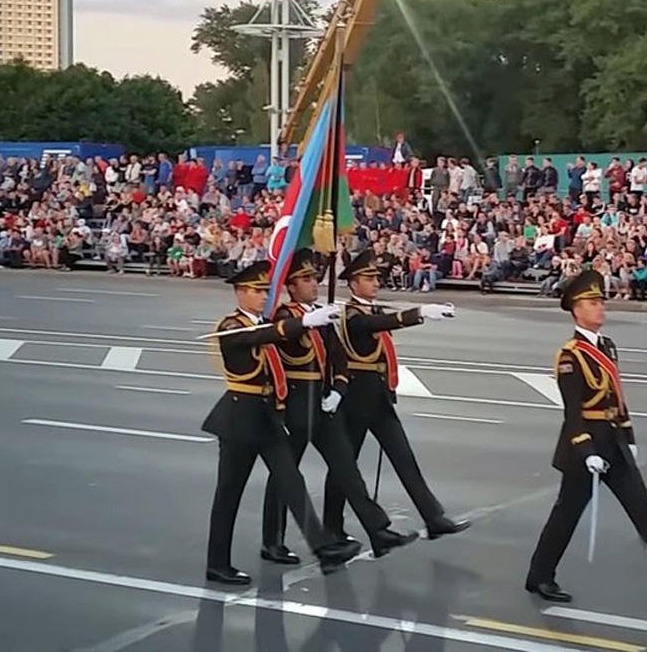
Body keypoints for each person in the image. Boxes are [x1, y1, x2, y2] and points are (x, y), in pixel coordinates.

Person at [525, 271, 647, 603]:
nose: (601, 309)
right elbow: (572, 413)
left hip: (614, 443)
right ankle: (539, 577)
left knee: (644, 509)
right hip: (585, 449)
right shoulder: (571, 355)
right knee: (565, 515)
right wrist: (587, 452)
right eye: (593, 303)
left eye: (601, 303)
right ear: (576, 309)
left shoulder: (607, 347)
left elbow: (617, 397)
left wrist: (628, 435)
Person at [201, 261, 360, 585]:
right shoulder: (231, 326)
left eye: (265, 291)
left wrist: (311, 321)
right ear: (239, 293)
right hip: (239, 419)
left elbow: (274, 334)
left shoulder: (261, 322)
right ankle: (217, 563)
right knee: (229, 494)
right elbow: (265, 334)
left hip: (268, 417)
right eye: (257, 291)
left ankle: (324, 549)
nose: (263, 297)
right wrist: (304, 321)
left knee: (292, 483)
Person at [260, 249, 418, 565]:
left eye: (313, 277)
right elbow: (286, 336)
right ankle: (272, 542)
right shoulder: (285, 316)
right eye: (305, 279)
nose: (313, 283)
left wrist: (340, 389)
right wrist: (306, 321)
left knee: (347, 468)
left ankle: (377, 530)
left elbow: (338, 357)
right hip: (294, 405)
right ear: (291, 287)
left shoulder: (323, 314)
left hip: (323, 403)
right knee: (285, 476)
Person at [323, 250, 470, 543]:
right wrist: (419, 314)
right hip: (355, 399)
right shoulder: (351, 315)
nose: (375, 283)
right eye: (368, 278)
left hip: (378, 397)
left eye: (376, 278)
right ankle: (332, 528)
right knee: (344, 468)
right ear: (353, 284)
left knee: (404, 458)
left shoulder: (371, 310)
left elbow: (381, 323)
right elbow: (375, 326)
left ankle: (433, 517)